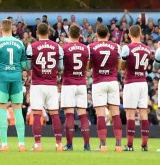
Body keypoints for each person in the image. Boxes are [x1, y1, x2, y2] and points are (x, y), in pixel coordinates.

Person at [0, 18, 28, 152]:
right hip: (16, 78)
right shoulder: (20, 44)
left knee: (2, 109)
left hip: (3, 79)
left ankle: (4, 144)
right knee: (18, 110)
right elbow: (24, 66)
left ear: (1, 28)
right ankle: (21, 143)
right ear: (12, 28)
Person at [26, 22, 64, 152]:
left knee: (36, 114)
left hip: (37, 84)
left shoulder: (32, 47)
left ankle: (37, 144)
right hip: (51, 84)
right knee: (54, 114)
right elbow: (60, 67)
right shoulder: (57, 47)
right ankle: (59, 144)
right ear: (49, 32)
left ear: (37, 32)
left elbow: (27, 66)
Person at [89, 23, 123, 151]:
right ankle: (118, 145)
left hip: (98, 82)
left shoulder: (91, 47)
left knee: (100, 115)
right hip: (113, 81)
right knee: (115, 113)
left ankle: (103, 145)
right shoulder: (116, 47)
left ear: (96, 34)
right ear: (108, 34)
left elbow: (88, 66)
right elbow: (119, 65)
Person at [120, 24, 153, 151]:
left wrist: (123, 61)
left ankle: (129, 145)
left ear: (129, 35)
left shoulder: (127, 48)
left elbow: (122, 68)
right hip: (143, 82)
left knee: (130, 114)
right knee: (144, 113)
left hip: (131, 82)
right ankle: (144, 144)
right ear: (140, 34)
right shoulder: (147, 49)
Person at [60, 24, 91, 151]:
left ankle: (69, 145)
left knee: (69, 115)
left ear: (69, 35)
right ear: (80, 35)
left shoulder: (64, 48)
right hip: (81, 83)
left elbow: (61, 67)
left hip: (68, 83)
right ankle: (87, 145)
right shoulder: (86, 49)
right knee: (83, 114)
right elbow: (87, 66)